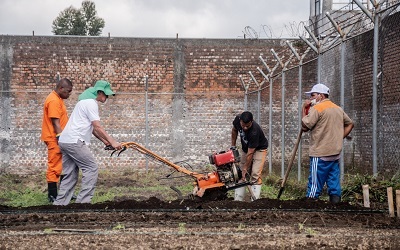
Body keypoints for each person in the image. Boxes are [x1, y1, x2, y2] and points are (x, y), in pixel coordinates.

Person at [53, 80, 122, 205]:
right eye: (106, 95)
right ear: (100, 93)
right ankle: (83, 203)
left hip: (65, 140)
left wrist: (105, 142)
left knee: (70, 174)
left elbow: (92, 128)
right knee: (91, 168)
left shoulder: (83, 102)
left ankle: (60, 204)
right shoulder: (91, 103)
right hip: (75, 141)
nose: (107, 97)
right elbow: (97, 126)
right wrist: (113, 141)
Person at [301, 83, 354, 204]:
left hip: (320, 153)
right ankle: (335, 205)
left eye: (313, 95)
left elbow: (305, 126)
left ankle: (311, 203)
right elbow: (350, 123)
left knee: (315, 183)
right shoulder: (337, 108)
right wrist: (339, 138)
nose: (311, 98)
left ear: (320, 96)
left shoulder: (317, 108)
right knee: (333, 181)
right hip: (335, 153)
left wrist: (304, 109)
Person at [41, 78, 73, 202]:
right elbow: (55, 122)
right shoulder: (53, 100)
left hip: (58, 137)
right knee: (54, 166)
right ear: (61, 88)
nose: (69, 94)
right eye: (68, 91)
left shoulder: (58, 98)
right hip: (54, 138)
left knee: (62, 165)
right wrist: (61, 138)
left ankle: (63, 193)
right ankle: (52, 195)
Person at [231, 111, 268, 201]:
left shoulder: (254, 131)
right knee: (241, 175)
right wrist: (233, 146)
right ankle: (238, 200)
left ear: (252, 121)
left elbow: (251, 153)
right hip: (245, 148)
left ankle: (254, 201)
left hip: (259, 149)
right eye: (243, 125)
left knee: (255, 173)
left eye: (247, 126)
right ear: (240, 121)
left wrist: (245, 168)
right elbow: (234, 130)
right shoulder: (237, 120)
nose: (245, 128)